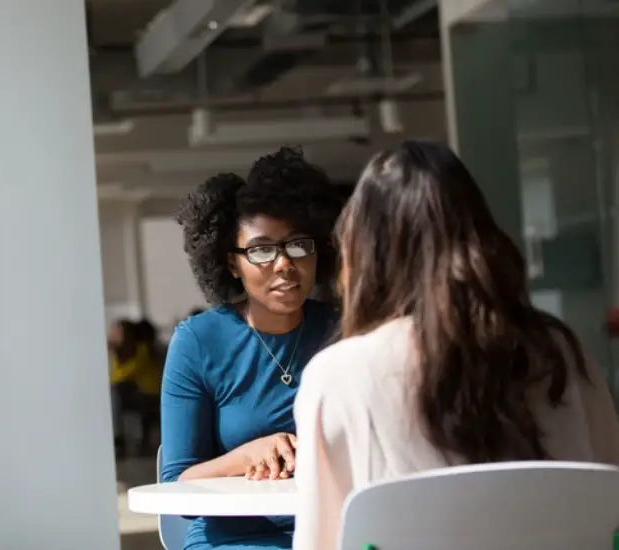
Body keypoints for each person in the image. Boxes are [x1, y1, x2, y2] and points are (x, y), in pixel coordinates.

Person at [292, 140, 619, 550]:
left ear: (367, 254)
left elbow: (317, 543)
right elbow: (610, 506)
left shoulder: (339, 376)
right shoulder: (564, 355)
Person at [161, 146, 343, 550]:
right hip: (235, 542)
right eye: (262, 250)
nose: (284, 263)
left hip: (334, 534)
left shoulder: (343, 330)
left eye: (298, 245)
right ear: (231, 263)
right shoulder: (199, 342)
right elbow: (176, 487)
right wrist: (247, 457)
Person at [108, 319, 140, 458]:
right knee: (113, 394)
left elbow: (127, 374)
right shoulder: (116, 352)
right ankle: (116, 437)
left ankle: (117, 438)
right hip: (122, 390)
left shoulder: (140, 350)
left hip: (140, 391)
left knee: (115, 393)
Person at [133, 318, 165, 455]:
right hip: (159, 390)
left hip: (145, 391)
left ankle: (145, 446)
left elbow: (135, 369)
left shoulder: (141, 350)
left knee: (146, 423)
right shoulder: (161, 347)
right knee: (158, 422)